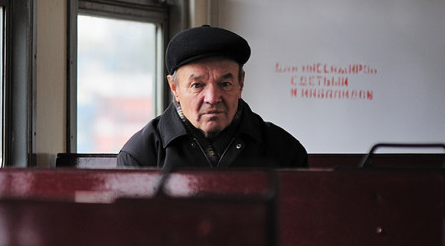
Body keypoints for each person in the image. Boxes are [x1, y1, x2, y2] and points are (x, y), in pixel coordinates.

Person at [117, 25, 308, 169]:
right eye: (197, 85)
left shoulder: (284, 150)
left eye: (225, 84)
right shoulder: (141, 155)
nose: (212, 98)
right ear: (174, 87)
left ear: (240, 84)